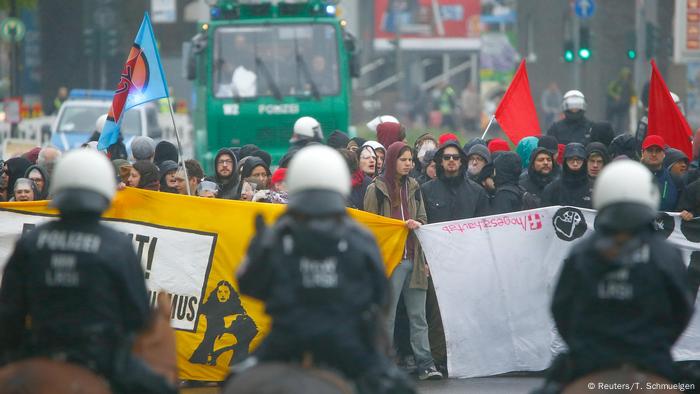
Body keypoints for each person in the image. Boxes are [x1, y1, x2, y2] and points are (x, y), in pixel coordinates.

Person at [236, 145, 413, 393]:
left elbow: (247, 285)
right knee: (397, 386)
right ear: (341, 183)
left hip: (286, 339)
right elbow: (381, 295)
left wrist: (259, 248)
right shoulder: (360, 237)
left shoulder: (276, 235)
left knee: (234, 381)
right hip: (348, 343)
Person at [0, 149, 176, 393]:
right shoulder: (117, 245)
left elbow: (9, 314)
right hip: (101, 358)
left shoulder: (30, 243)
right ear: (104, 189)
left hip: (40, 350)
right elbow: (138, 316)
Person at [537, 160, 693, 393]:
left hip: (590, 365)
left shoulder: (583, 253)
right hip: (652, 363)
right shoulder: (667, 254)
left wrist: (587, 348)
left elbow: (562, 308)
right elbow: (682, 309)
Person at [364, 142, 443, 381]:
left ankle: (426, 364)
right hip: (391, 260)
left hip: (414, 258)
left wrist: (417, 228)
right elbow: (371, 225)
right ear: (391, 161)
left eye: (410, 160)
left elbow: (422, 219)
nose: (409, 163)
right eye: (403, 159)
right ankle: (384, 364)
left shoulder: (415, 186)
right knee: (386, 317)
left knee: (418, 316)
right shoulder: (375, 189)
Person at [541, 143, 592, 209]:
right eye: (571, 159)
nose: (575, 163)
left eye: (579, 159)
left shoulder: (594, 189)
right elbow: (544, 215)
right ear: (565, 161)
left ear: (584, 161)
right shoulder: (552, 189)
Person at [640, 135, 681, 212]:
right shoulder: (632, 177)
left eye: (658, 150)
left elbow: (682, 207)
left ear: (664, 154)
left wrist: (687, 213)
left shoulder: (675, 180)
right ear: (642, 153)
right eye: (650, 150)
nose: (654, 154)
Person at [606, 67, 635, 132]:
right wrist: (615, 96)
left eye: (628, 77)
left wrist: (633, 102)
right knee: (611, 119)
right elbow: (609, 90)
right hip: (614, 105)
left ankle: (620, 130)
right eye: (625, 76)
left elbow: (633, 94)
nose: (626, 78)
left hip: (624, 106)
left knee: (621, 121)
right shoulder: (617, 83)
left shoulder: (630, 85)